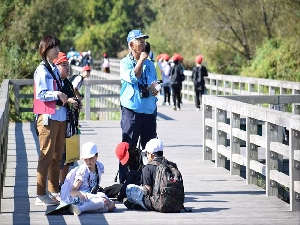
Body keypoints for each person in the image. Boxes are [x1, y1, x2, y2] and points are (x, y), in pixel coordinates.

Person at [119, 29, 159, 183]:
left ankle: (151, 181)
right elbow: (133, 77)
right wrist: (141, 61)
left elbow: (152, 82)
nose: (143, 44)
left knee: (151, 148)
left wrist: (154, 89)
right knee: (128, 147)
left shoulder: (150, 64)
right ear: (131, 44)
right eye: (140, 41)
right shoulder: (125, 63)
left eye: (144, 41)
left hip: (148, 110)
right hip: (132, 110)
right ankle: (124, 181)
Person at [34, 35, 69, 206]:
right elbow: (41, 94)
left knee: (57, 157)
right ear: (46, 49)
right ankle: (40, 195)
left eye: (58, 47)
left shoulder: (53, 69)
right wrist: (57, 94)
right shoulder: (42, 70)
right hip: (47, 117)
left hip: (59, 117)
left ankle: (53, 191)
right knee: (46, 156)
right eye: (54, 47)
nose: (57, 50)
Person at [61, 142, 115, 216]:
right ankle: (80, 209)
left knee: (112, 205)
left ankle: (81, 208)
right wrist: (80, 194)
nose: (88, 161)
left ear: (97, 156)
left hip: (91, 195)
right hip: (81, 196)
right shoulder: (83, 171)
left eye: (91, 158)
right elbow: (72, 191)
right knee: (103, 201)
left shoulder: (99, 167)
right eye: (86, 159)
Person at [124, 138, 178, 211]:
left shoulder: (148, 167)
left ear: (151, 154)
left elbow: (147, 192)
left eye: (147, 153)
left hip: (156, 204)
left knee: (129, 188)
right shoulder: (172, 165)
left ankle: (137, 205)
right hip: (174, 203)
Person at [53, 52, 81, 188]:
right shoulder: (55, 82)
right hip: (58, 123)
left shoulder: (68, 83)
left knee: (68, 157)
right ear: (56, 67)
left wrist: (76, 103)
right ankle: (56, 184)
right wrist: (68, 101)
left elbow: (72, 98)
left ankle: (62, 183)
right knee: (59, 156)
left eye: (68, 65)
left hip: (70, 125)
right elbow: (53, 100)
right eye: (64, 65)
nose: (67, 68)